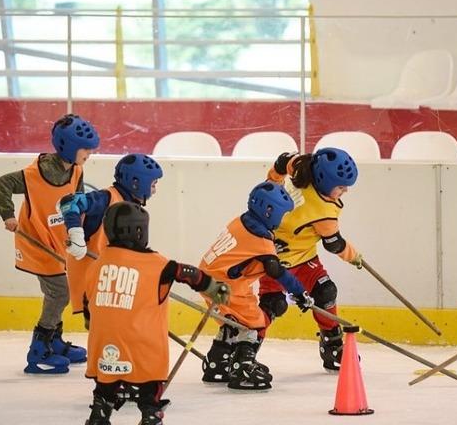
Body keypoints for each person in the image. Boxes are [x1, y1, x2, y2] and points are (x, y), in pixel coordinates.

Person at [83, 202, 230, 425]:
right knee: (149, 380)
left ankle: (100, 412)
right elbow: (188, 273)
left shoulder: (97, 264)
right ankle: (150, 413)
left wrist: (92, 321)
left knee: (107, 380)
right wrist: (211, 286)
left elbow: (88, 304)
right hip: (141, 344)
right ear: (140, 231)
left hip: (103, 342)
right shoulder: (158, 265)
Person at [0, 114, 98, 374]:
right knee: (59, 292)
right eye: (86, 150)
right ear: (70, 147)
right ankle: (39, 349)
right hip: (36, 242)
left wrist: (81, 234)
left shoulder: (76, 170)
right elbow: (3, 183)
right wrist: (7, 214)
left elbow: (79, 201)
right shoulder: (34, 174)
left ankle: (55, 341)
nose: (90, 154)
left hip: (58, 242)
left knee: (66, 290)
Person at [198, 181, 314, 390]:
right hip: (226, 287)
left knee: (233, 322)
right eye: (283, 214)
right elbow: (277, 271)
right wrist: (300, 292)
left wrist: (270, 248)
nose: (283, 219)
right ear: (270, 212)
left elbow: (244, 252)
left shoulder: (241, 222)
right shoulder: (261, 243)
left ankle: (217, 364)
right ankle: (243, 367)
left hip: (207, 280)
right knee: (256, 322)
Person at [260, 147, 363, 372]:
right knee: (273, 305)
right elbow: (334, 244)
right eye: (341, 186)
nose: (346, 190)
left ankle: (332, 345)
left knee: (325, 292)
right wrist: (355, 257)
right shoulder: (324, 211)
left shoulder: (303, 166)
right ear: (325, 182)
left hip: (304, 257)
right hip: (275, 260)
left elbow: (282, 162)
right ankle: (244, 350)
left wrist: (274, 180)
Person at [60, 153, 163, 326]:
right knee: (106, 328)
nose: (154, 190)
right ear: (136, 182)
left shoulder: (130, 207)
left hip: (112, 279)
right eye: (153, 184)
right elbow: (70, 202)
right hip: (93, 280)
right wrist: (76, 233)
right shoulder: (105, 198)